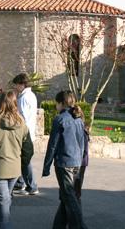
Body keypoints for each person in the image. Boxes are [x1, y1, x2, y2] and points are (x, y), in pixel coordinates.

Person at [0, 90, 34, 229]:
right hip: (14, 168)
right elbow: (28, 148)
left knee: (3, 203)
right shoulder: (21, 122)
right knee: (5, 202)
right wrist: (21, 163)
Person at [42, 91, 87, 229]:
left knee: (70, 198)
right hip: (77, 163)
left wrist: (46, 166)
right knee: (67, 196)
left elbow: (53, 145)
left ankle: (80, 226)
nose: (56, 106)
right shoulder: (78, 119)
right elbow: (83, 143)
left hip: (64, 163)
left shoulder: (60, 119)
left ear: (61, 103)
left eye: (56, 103)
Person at [12, 73, 39, 195]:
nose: (15, 87)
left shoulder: (23, 98)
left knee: (25, 161)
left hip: (24, 134)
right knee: (23, 159)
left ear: (21, 84)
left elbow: (22, 118)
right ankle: (21, 182)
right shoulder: (31, 95)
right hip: (29, 132)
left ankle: (31, 186)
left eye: (17, 84)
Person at [70, 104, 90, 205]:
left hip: (78, 161)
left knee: (75, 188)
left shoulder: (80, 130)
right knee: (76, 186)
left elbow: (83, 149)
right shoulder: (83, 128)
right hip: (82, 161)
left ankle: (76, 213)